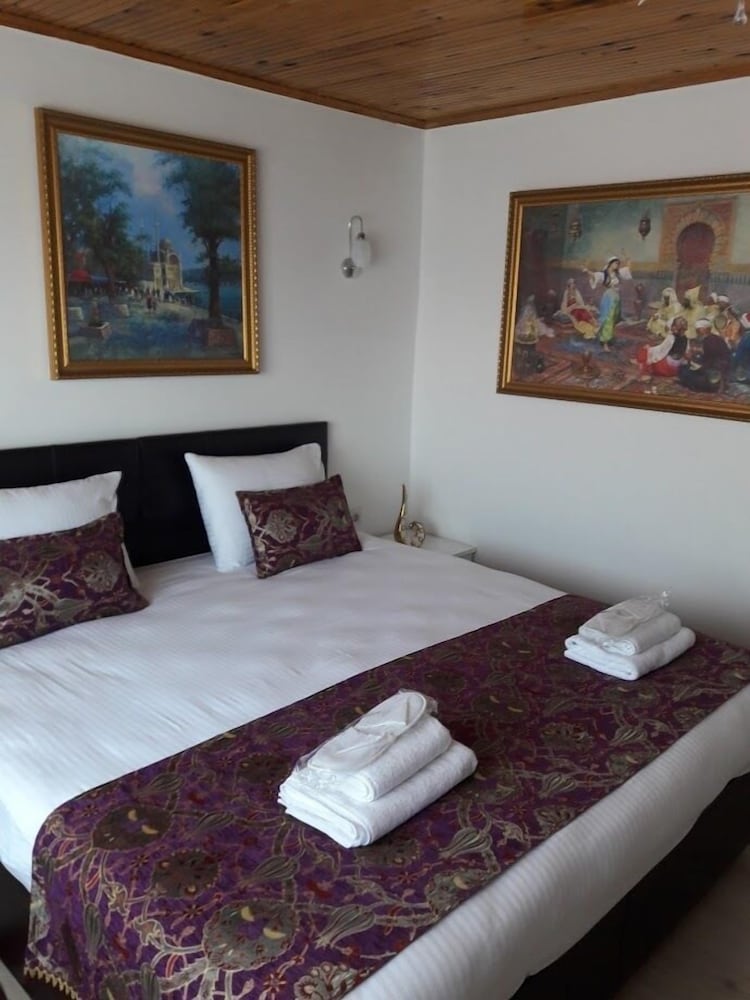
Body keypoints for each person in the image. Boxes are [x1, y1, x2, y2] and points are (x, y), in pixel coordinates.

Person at [583, 256, 632, 351]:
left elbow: (627, 270)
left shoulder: (617, 273)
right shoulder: (604, 275)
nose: (617, 265)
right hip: (608, 298)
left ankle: (607, 338)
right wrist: (587, 270)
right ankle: (605, 342)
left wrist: (628, 261)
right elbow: (594, 276)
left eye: (618, 264)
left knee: (613, 319)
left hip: (616, 298)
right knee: (607, 320)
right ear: (610, 264)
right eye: (616, 263)